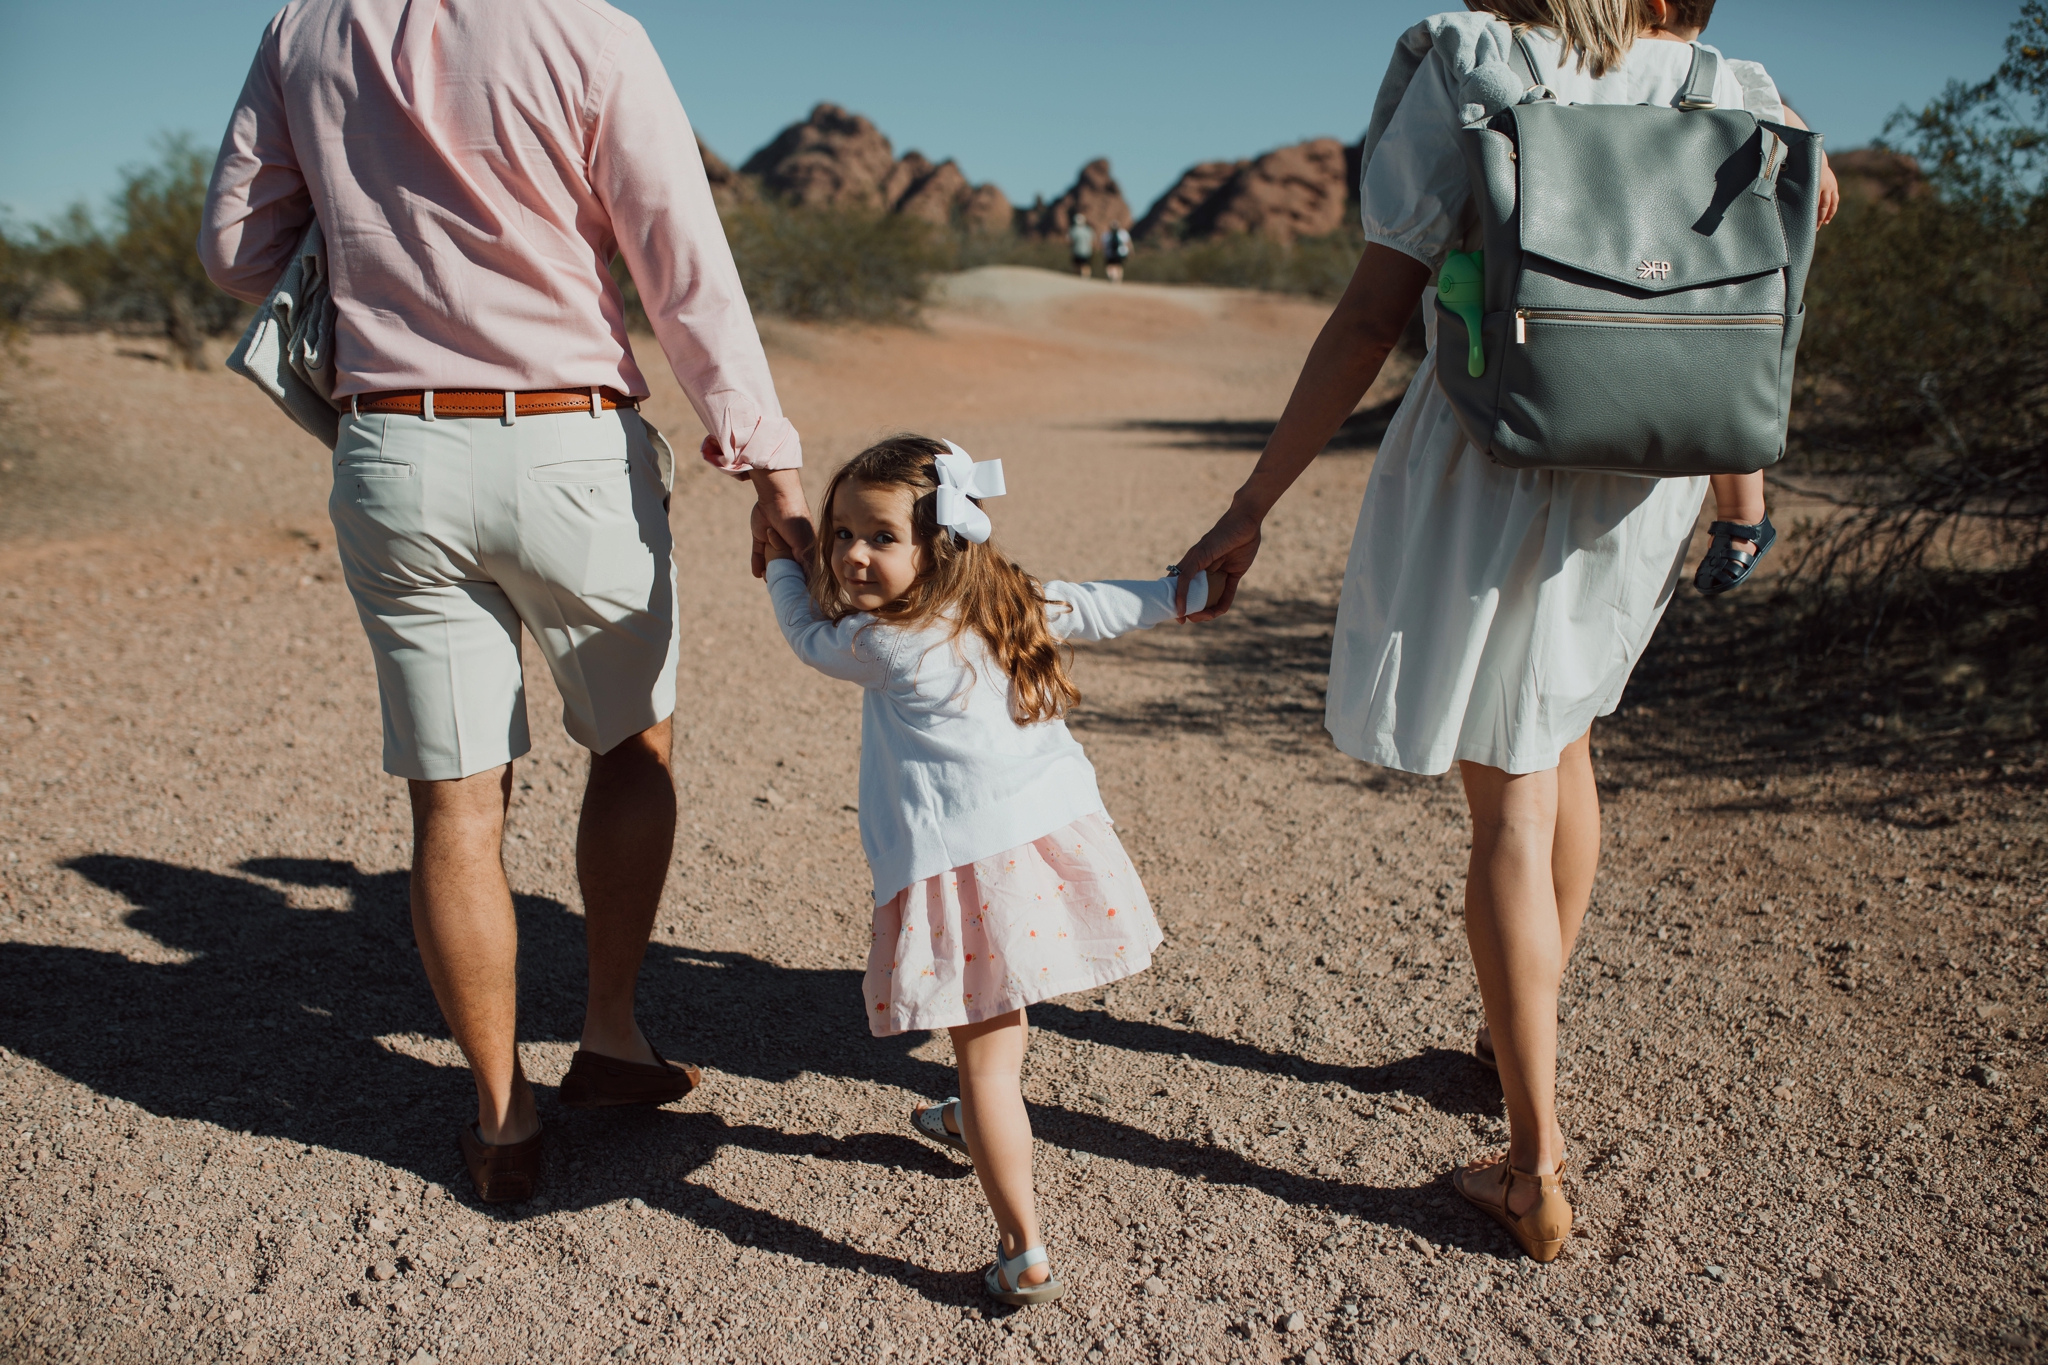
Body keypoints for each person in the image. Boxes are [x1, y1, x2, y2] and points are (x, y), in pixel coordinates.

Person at [1171, 0, 1793, 1262]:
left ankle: (1532, 1166)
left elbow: (1369, 313)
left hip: (1490, 448)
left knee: (1507, 794)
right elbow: (1767, 279)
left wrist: (1251, 502)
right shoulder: (1734, 81)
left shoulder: (1471, 59)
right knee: (1561, 741)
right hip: (1641, 463)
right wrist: (1742, 496)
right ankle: (1507, 1036)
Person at [198, 0, 814, 1204]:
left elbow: (232, 249)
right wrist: (767, 465)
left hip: (394, 452)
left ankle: (499, 1117)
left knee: (456, 800)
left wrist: (377, 234)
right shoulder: (590, 31)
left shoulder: (302, 30)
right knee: (631, 741)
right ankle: (612, 1038)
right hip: (569, 449)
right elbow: (679, 259)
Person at [759, 436, 1210, 1306]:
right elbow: (1102, 605)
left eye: (880, 537)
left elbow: (806, 638)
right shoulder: (1008, 600)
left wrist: (784, 561)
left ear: (939, 544)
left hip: (965, 876)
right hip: (1040, 854)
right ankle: (970, 1120)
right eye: (840, 532)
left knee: (989, 1061)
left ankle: (1025, 1247)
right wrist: (1183, 593)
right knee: (1001, 1026)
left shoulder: (883, 644)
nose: (851, 552)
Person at [1668, 0, 1841, 596]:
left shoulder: (1724, 75)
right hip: (1669, 244)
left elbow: (1783, 117)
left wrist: (1817, 162)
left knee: (1726, 373)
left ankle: (1745, 516)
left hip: (1719, 250)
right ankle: (1742, 515)